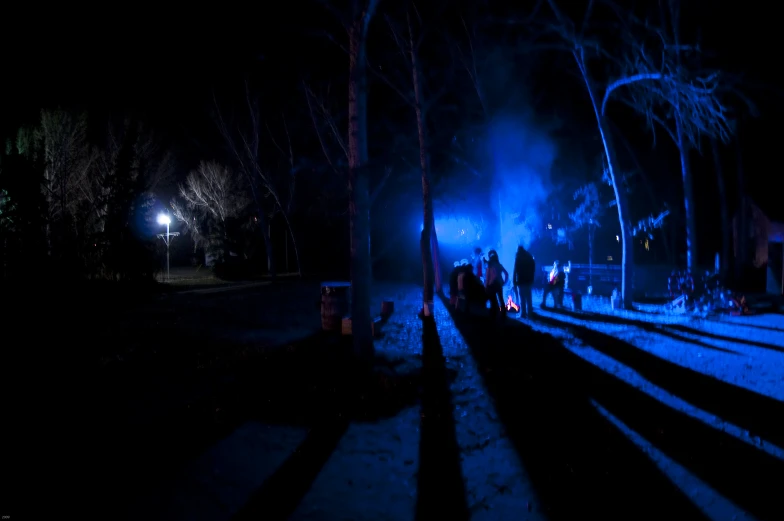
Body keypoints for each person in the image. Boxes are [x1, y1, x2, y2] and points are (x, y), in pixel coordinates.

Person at [513, 245, 535, 318]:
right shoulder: (529, 257)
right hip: (528, 279)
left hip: (521, 279)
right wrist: (532, 277)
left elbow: (515, 269)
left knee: (522, 297)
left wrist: (514, 279)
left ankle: (523, 313)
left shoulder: (518, 257)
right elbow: (533, 268)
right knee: (528, 297)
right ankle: (530, 313)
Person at [484, 250, 509, 317]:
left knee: (493, 299)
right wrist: (504, 282)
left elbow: (488, 277)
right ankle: (503, 313)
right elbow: (506, 273)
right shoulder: (499, 265)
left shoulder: (490, 266)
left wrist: (486, 285)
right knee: (501, 298)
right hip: (499, 284)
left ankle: (495, 313)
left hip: (492, 284)